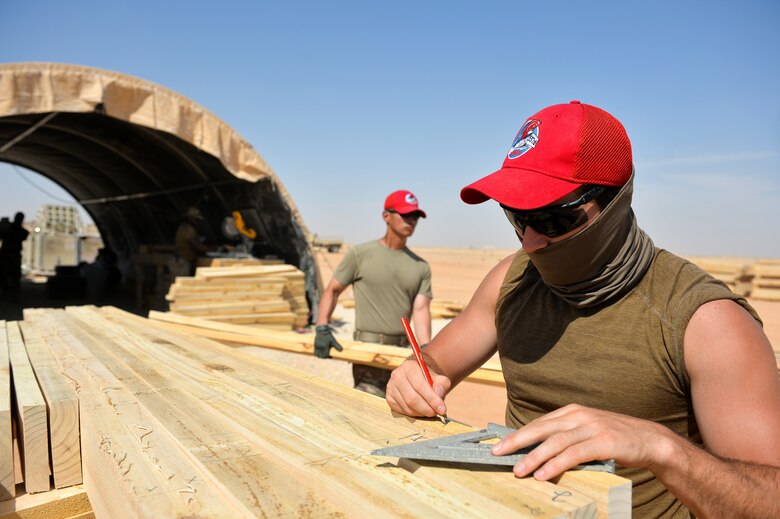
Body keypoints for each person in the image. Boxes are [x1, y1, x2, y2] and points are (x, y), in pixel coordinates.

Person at [385, 101, 780, 518]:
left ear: (615, 204)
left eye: (553, 220)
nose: (530, 242)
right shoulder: (513, 279)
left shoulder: (704, 321)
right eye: (517, 217)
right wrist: (416, 374)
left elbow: (769, 499)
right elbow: (436, 364)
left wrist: (661, 449)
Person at [315, 190, 433, 397]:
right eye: (405, 215)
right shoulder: (360, 255)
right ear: (386, 216)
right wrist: (322, 328)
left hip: (402, 354)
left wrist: (425, 350)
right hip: (367, 353)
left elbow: (421, 309)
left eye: (415, 216)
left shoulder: (421, 266)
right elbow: (332, 291)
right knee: (366, 410)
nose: (411, 221)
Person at [175, 207, 214, 275]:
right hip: (183, 262)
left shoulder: (183, 227)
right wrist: (213, 249)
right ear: (190, 218)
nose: (198, 222)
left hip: (182, 260)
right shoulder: (188, 229)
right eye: (196, 220)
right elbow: (196, 246)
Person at [0, 212, 30, 302]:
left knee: (11, 277)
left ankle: (11, 295)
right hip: (9, 256)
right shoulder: (16, 230)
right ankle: (9, 294)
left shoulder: (12, 229)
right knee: (7, 276)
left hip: (10, 256)